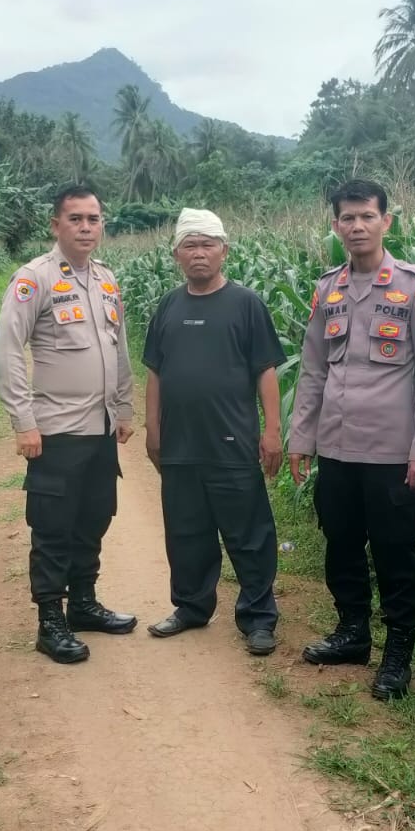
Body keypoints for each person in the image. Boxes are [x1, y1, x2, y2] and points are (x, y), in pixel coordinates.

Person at [287, 179, 415, 700]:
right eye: (348, 218)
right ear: (335, 225)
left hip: (392, 453)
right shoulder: (327, 289)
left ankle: (398, 653)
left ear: (386, 222)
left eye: (367, 216)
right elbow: (313, 369)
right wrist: (300, 437)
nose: (357, 226)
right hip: (336, 448)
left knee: (395, 552)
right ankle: (352, 632)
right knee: (341, 544)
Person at [0, 185, 137, 664]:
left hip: (100, 428)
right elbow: (8, 349)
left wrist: (124, 408)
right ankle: (50, 621)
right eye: (75, 219)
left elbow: (119, 347)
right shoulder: (34, 278)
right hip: (55, 429)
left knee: (94, 519)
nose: (86, 227)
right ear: (56, 225)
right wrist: (23, 421)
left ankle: (83, 604)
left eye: (93, 219)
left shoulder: (106, 279)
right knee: (53, 528)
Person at [142, 208, 287, 657]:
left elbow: (265, 371)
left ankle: (258, 618)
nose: (199, 253)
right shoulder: (169, 305)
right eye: (190, 245)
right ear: (176, 254)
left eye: (208, 244)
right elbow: (155, 371)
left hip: (232, 442)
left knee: (249, 534)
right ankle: (190, 607)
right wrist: (152, 428)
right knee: (186, 532)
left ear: (224, 250)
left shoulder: (246, 304)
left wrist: (272, 431)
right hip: (180, 444)